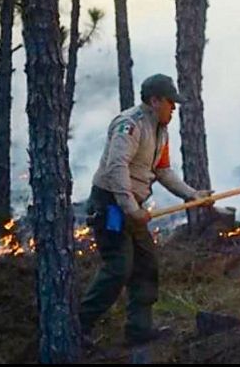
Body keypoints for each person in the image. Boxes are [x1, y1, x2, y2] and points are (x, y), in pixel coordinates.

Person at [79, 74, 212, 347]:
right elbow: (116, 168)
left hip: (131, 206)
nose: (174, 108)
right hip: (111, 206)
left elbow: (162, 170)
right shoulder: (129, 125)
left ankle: (139, 330)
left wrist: (192, 194)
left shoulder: (160, 130)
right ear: (154, 101)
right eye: (170, 103)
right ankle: (77, 327)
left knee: (146, 264)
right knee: (119, 267)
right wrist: (130, 208)